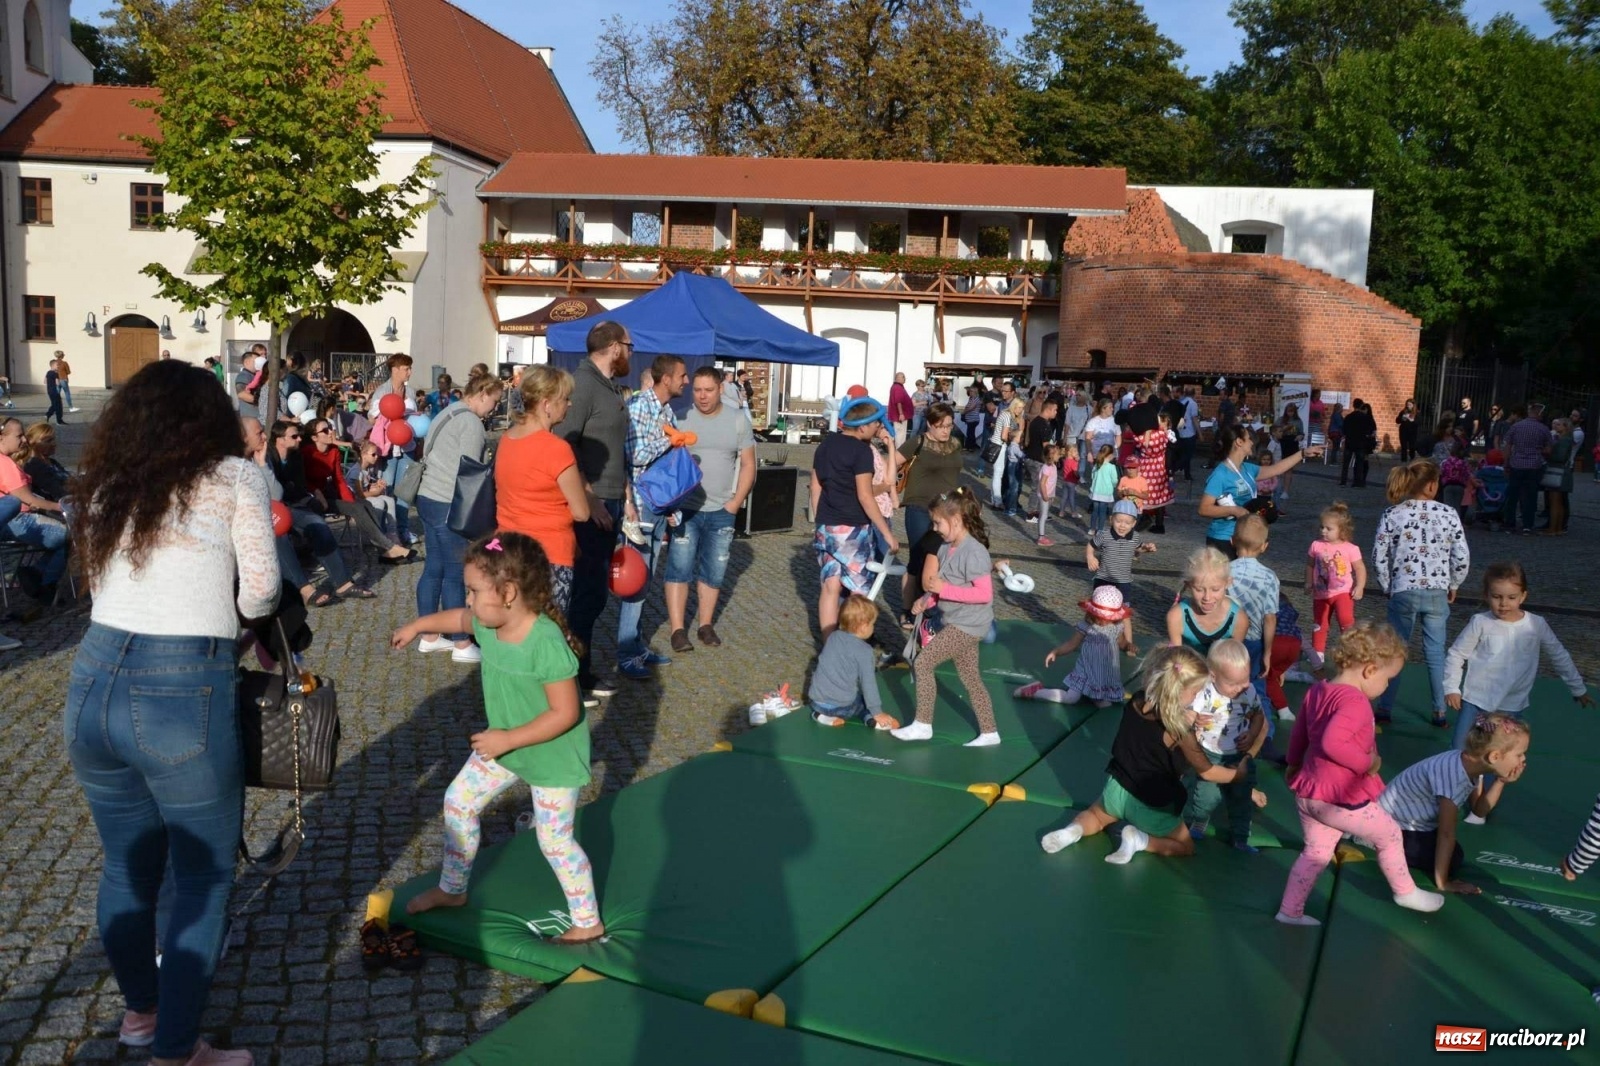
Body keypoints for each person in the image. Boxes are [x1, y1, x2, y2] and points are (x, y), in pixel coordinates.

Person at [67, 360, 278, 1065]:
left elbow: (98, 584)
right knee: (204, 877)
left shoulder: (106, 483)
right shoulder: (236, 477)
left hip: (94, 675)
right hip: (181, 682)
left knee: (128, 869)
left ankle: (141, 1016)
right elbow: (262, 592)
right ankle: (179, 1051)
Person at [391, 532, 603, 945]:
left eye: (473, 591)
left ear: (508, 592)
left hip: (549, 757)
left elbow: (566, 713)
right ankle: (453, 890)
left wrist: (508, 739)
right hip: (503, 746)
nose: (468, 599)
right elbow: (457, 620)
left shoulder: (544, 642)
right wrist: (418, 625)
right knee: (458, 803)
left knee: (554, 841)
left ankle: (588, 919)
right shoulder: (490, 625)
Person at [1275, 623, 1446, 926]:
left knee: (1315, 852)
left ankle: (1290, 910)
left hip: (1309, 793)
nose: (1386, 687)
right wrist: (1366, 762)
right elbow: (1331, 741)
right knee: (1391, 835)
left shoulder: (1319, 690)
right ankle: (1405, 890)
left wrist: (1292, 762)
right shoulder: (1354, 701)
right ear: (1369, 670)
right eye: (1387, 679)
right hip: (1340, 798)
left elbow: (1301, 731)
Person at [1040, 645, 1250, 864]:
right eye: (1195, 692)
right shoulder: (1180, 732)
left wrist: (1181, 713)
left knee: (1095, 816)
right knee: (1185, 847)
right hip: (1151, 805)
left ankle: (1072, 831)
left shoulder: (1138, 701)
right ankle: (1140, 840)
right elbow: (1207, 771)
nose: (1196, 696)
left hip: (1117, 789)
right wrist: (1237, 775)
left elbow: (1159, 718)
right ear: (1180, 694)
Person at [554, 321, 633, 698]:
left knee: (593, 594)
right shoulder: (583, 384)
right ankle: (571, 678)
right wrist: (588, 496)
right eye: (629, 346)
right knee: (585, 594)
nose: (631, 353)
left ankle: (579, 673)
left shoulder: (607, 385)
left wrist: (624, 492)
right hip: (592, 504)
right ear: (615, 348)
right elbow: (564, 445)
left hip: (611, 499)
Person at [1442, 562, 1592, 753]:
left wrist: (1578, 688)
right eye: (1497, 597)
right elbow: (1457, 653)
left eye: (1511, 597)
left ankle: (1487, 784)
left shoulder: (1536, 625)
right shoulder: (1481, 622)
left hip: (1510, 706)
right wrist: (1451, 687)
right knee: (1462, 748)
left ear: (1523, 596)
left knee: (1496, 751)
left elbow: (1558, 655)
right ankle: (1455, 781)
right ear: (1486, 595)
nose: (1504, 604)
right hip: (1477, 702)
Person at [1380, 713, 1530, 894]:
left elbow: (1479, 810)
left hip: (1413, 823)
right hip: (1389, 826)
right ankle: (1379, 844)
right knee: (1452, 859)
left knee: (1453, 854)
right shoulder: (1453, 778)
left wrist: (1500, 781)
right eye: (1519, 754)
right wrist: (1443, 882)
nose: (1523, 760)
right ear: (1495, 756)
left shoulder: (1470, 764)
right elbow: (1446, 833)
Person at [892, 488, 996, 747]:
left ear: (957, 521)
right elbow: (943, 584)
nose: (935, 527)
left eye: (938, 522)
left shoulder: (974, 551)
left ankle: (923, 724)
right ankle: (990, 732)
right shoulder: (945, 548)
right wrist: (925, 600)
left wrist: (942, 591)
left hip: (970, 624)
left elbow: (984, 594)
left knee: (924, 662)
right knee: (970, 676)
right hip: (957, 620)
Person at [1371, 459, 1470, 727]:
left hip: (1403, 589)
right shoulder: (1449, 513)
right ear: (1431, 485)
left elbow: (1379, 555)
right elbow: (1461, 556)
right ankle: (1439, 710)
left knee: (1396, 650)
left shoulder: (1392, 514)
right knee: (1436, 653)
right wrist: (1454, 584)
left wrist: (1386, 585)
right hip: (1437, 590)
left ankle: (1385, 707)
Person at [666, 366, 756, 651]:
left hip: (722, 510)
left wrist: (736, 502)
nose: (702, 396)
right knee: (679, 568)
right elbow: (665, 463)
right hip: (686, 509)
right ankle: (678, 630)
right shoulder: (680, 417)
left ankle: (705, 625)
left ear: (721, 389)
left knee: (714, 571)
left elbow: (749, 464)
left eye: (709, 390)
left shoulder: (738, 420)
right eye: (697, 390)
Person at [495, 366, 589, 621]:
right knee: (546, 637)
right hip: (548, 555)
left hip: (508, 549)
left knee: (513, 629)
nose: (569, 405)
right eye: (565, 399)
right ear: (547, 404)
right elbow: (581, 512)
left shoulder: (507, 439)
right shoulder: (557, 449)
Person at [619, 355, 690, 664]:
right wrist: (669, 440)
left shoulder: (666, 409)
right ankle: (625, 653)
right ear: (666, 380)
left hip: (661, 502)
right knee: (635, 581)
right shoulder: (638, 408)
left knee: (645, 580)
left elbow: (669, 460)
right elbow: (633, 456)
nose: (685, 382)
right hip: (642, 502)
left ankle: (635, 646)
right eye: (682, 376)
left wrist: (675, 502)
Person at [811, 399, 899, 638]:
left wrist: (820, 518)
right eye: (875, 424)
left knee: (830, 587)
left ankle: (830, 643)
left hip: (826, 526)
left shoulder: (825, 446)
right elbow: (865, 495)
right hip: (851, 529)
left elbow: (816, 484)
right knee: (858, 590)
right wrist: (887, 532)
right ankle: (852, 642)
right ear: (862, 427)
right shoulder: (861, 452)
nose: (878, 428)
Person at [1182, 639, 1267, 851]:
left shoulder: (1248, 691)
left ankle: (1240, 836)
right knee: (1205, 796)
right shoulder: (1206, 692)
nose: (1239, 688)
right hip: (1210, 754)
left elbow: (1258, 715)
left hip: (1237, 754)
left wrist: (1252, 733)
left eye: (1244, 680)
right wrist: (1194, 719)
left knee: (1241, 796)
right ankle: (1200, 820)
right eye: (1232, 683)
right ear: (1213, 676)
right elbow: (1186, 715)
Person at [299, 417, 414, 563]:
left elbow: (339, 479)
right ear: (314, 437)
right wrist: (315, 490)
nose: (330, 432)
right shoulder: (307, 453)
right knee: (358, 509)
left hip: (330, 493)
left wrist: (351, 502)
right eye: (325, 430)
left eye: (330, 427)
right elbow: (302, 479)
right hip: (314, 497)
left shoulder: (334, 451)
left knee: (364, 505)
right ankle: (390, 547)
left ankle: (385, 551)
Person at [1199, 424, 1319, 558]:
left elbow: (1277, 469)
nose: (1252, 442)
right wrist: (1234, 510)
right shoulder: (1220, 475)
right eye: (1248, 438)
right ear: (1239, 442)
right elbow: (1204, 509)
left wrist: (1302, 453)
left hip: (1243, 537)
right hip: (1222, 539)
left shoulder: (1247, 468)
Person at [896, 401, 963, 628]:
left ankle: (932, 607)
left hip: (947, 510)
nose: (946, 430)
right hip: (919, 507)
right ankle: (908, 609)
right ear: (929, 424)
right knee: (918, 559)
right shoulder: (918, 442)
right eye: (941, 426)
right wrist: (891, 494)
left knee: (942, 559)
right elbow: (891, 465)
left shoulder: (955, 444)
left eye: (949, 425)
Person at [1014, 584, 1136, 708]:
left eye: (1107, 618)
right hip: (1086, 671)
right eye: (1099, 617)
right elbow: (1071, 644)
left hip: (1105, 673)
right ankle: (1035, 692)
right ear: (1092, 612)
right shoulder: (1087, 625)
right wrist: (1056, 652)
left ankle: (1094, 695)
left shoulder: (1117, 627)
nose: (1103, 621)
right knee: (1070, 698)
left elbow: (1121, 642)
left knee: (1104, 704)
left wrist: (1128, 645)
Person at [0, 416, 69, 601]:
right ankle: (44, 581)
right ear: (2, 438)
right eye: (19, 435)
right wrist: (62, 507)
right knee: (70, 535)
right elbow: (29, 500)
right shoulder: (5, 465)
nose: (24, 440)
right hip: (15, 520)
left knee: (66, 536)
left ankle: (38, 576)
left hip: (9, 521)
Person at [809, 594, 900, 730]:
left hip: (817, 700)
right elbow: (868, 683)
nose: (873, 627)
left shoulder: (833, 636)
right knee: (861, 702)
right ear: (863, 626)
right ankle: (872, 720)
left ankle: (819, 715)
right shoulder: (864, 650)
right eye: (872, 624)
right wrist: (877, 711)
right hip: (841, 706)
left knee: (847, 695)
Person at [1228, 515, 1280, 709]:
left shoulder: (1224, 571)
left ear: (1232, 541)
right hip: (1254, 642)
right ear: (1264, 546)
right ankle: (1264, 733)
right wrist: (1268, 652)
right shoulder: (1269, 577)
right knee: (1257, 689)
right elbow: (1270, 618)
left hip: (1226, 640)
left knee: (1223, 685)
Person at [367, 353, 418, 546]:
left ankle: (403, 530)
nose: (409, 372)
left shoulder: (411, 392)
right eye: (406, 368)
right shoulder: (382, 391)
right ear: (395, 369)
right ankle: (386, 531)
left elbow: (415, 418)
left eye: (410, 368)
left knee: (404, 491)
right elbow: (371, 417)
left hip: (407, 446)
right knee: (386, 487)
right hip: (387, 448)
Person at [1306, 502, 1365, 665]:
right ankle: (1318, 655)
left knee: (1345, 619)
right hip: (1320, 593)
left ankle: (1350, 651)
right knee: (1320, 624)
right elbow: (1310, 565)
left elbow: (1359, 568)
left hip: (1342, 592)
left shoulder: (1351, 548)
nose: (1323, 531)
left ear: (1342, 530)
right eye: (1322, 527)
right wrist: (1308, 582)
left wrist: (1359, 586)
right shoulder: (1316, 545)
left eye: (1328, 528)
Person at [1167, 546, 1247, 654]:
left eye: (1215, 589)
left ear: (1228, 583)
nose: (1207, 597)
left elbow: (1233, 660)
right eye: (1199, 590)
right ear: (1189, 585)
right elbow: (1175, 658)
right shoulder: (1176, 616)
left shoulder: (1239, 619)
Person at [1500, 404, 1551, 535]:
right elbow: (1549, 449)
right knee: (1530, 496)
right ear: (1539, 413)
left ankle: (1509, 523)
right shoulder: (1544, 429)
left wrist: (1506, 463)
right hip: (1534, 465)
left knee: (1512, 495)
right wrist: (1539, 450)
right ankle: (1527, 525)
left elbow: (1507, 446)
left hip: (1516, 464)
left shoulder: (1516, 426)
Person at [1133, 410, 1175, 533]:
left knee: (1146, 494)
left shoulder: (1155, 435)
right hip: (1161, 468)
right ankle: (1159, 523)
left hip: (1149, 468)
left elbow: (1140, 443)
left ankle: (1146, 518)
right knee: (1160, 497)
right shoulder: (1165, 435)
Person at [19, 422, 71, 502]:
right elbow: (57, 492)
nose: (54, 444)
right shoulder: (34, 467)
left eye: (53, 439)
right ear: (33, 443)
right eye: (48, 441)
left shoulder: (52, 462)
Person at [1542, 417, 1576, 535]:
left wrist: (1548, 453)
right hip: (1562, 471)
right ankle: (1558, 527)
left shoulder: (1564, 440)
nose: (1556, 426)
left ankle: (1553, 528)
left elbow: (1560, 457)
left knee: (1555, 502)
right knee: (1559, 502)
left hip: (1558, 471)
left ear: (1565, 427)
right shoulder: (1565, 439)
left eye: (1559, 425)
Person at [1338, 399, 1377, 488]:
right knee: (1359, 464)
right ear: (1361, 406)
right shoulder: (1365, 418)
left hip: (1349, 442)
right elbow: (1370, 431)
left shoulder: (1348, 417)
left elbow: (1344, 430)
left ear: (1353, 406)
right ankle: (1357, 483)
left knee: (1346, 464)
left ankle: (1343, 481)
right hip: (1360, 443)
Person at [1086, 444, 1118, 535]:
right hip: (1105, 493)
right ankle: (1100, 530)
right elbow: (1114, 480)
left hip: (1096, 492)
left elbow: (1092, 477)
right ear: (1110, 455)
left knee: (1095, 511)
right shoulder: (1111, 467)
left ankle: (1092, 529)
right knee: (1102, 512)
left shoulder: (1097, 465)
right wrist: (1114, 486)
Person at [1033, 442, 1061, 546]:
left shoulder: (1053, 466)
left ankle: (1042, 536)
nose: (1059, 456)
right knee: (1043, 515)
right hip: (1044, 495)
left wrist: (1052, 496)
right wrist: (1045, 495)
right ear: (1051, 455)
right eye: (1057, 454)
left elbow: (1052, 483)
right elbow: (1042, 482)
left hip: (1049, 495)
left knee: (1044, 515)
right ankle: (1041, 537)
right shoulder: (1047, 468)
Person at [888, 372, 914, 444]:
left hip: (900, 415)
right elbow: (898, 401)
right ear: (898, 378)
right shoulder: (898, 388)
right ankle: (899, 452)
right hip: (900, 416)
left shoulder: (897, 387)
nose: (904, 379)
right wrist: (901, 414)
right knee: (900, 435)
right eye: (903, 377)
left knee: (900, 434)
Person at [44, 357, 67, 425]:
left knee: (54, 404)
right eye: (57, 365)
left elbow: (45, 381)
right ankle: (58, 420)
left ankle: (48, 415)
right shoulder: (55, 373)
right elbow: (58, 383)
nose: (58, 366)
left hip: (50, 391)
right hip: (55, 391)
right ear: (53, 365)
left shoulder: (48, 372)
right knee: (58, 405)